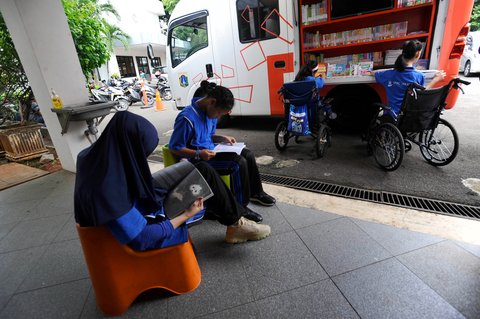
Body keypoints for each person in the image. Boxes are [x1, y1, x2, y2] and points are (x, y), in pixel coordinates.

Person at [74, 111, 271, 249]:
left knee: (201, 168)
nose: (141, 160)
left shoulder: (95, 157)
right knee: (203, 179)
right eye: (141, 154)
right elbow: (143, 238)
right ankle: (236, 225)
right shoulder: (108, 191)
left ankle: (234, 220)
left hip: (133, 199)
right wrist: (187, 214)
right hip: (145, 217)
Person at [169, 81, 276, 223]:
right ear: (212, 102)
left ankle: (256, 193)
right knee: (237, 164)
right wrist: (198, 154)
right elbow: (174, 147)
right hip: (197, 159)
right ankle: (240, 207)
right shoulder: (186, 117)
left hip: (210, 151)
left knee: (247, 154)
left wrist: (221, 137)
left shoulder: (209, 111)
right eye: (219, 113)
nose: (218, 117)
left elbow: (207, 135)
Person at [371, 40, 446, 121]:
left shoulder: (389, 74)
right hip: (410, 116)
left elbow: (373, 73)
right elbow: (422, 94)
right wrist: (435, 80)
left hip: (393, 115)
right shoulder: (419, 76)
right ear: (417, 54)